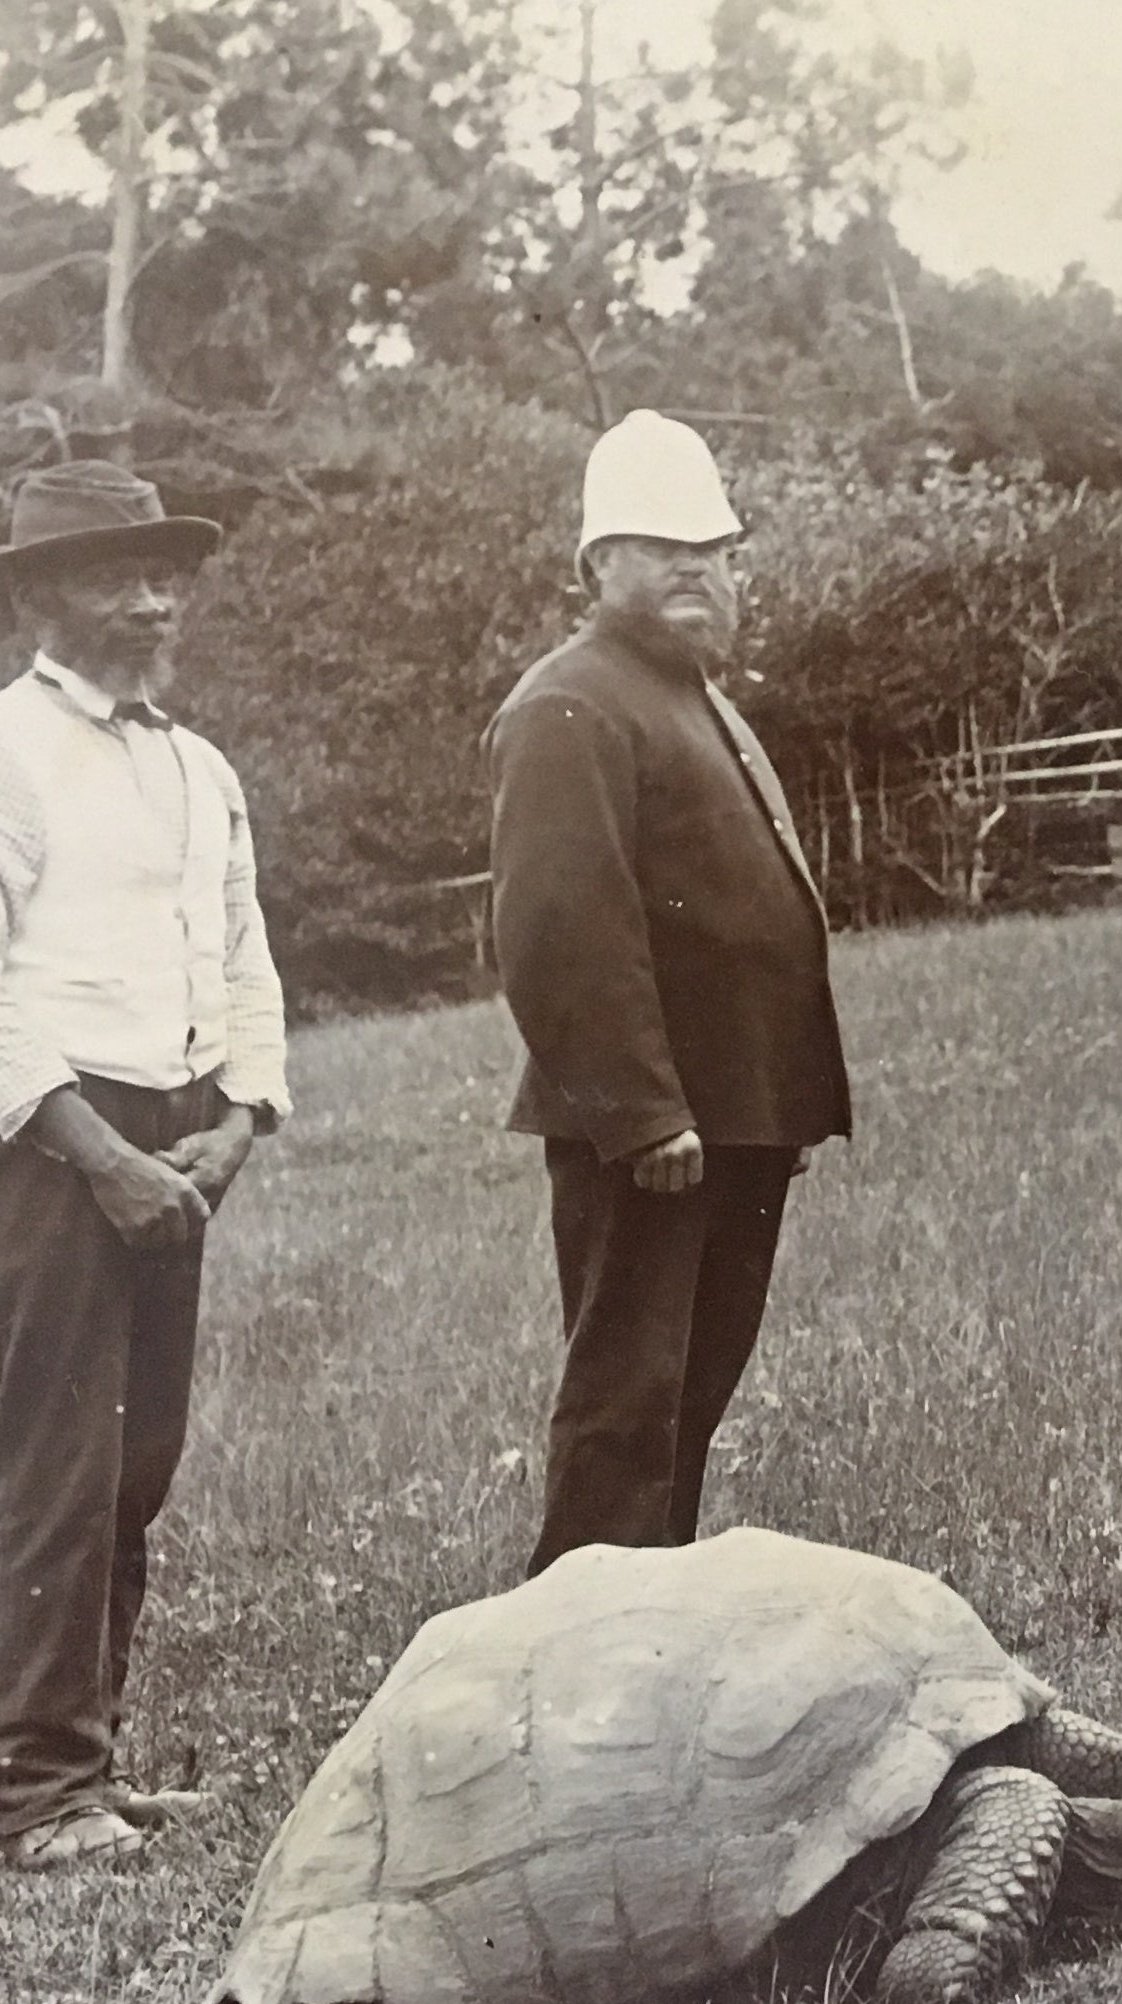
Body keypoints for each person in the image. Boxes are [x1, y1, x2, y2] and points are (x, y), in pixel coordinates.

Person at [0, 459, 287, 1871]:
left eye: (170, 567)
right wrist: (100, 1153)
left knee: (139, 1458)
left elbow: (241, 956)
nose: (159, 593)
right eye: (124, 569)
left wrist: (239, 1121)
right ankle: (39, 1792)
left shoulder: (197, 765)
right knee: (56, 1463)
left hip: (177, 1141)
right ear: (42, 592)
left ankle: (90, 1764)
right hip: (48, 1150)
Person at [486, 411, 849, 1572]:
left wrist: (771, 1107)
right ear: (598, 565)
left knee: (687, 1398)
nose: (695, 566)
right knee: (624, 1407)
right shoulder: (570, 701)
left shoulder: (694, 698)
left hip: (736, 1120)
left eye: (715, 546)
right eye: (660, 544)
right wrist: (643, 1111)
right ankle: (577, 1658)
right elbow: (557, 930)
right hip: (654, 1132)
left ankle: (649, 1634)